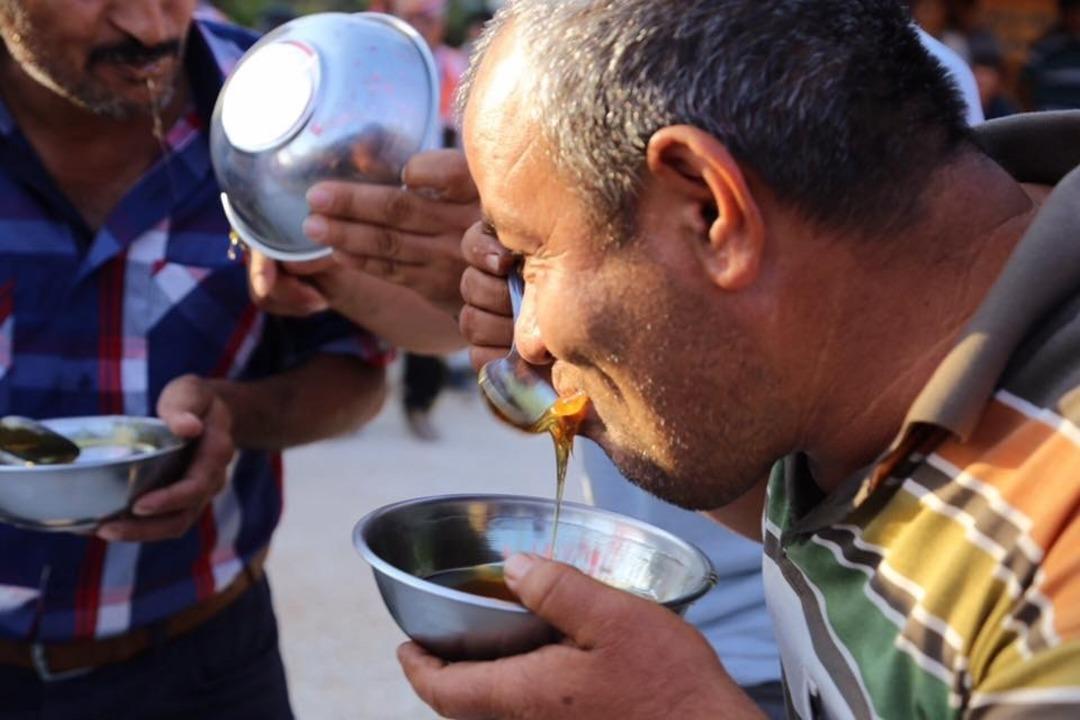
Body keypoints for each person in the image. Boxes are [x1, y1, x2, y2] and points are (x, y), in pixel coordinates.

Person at [392, 0, 1080, 718]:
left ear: (712, 213)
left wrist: (680, 708)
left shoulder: (1055, 559)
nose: (523, 336)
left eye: (530, 257)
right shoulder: (856, 365)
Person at [0, 2, 392, 717]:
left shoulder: (284, 108)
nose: (151, 29)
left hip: (206, 666)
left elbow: (358, 369)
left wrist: (236, 415)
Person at [1024, 0, 1080, 111]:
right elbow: (1025, 87)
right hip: (1049, 119)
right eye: (1075, 11)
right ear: (1065, 13)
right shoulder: (1045, 47)